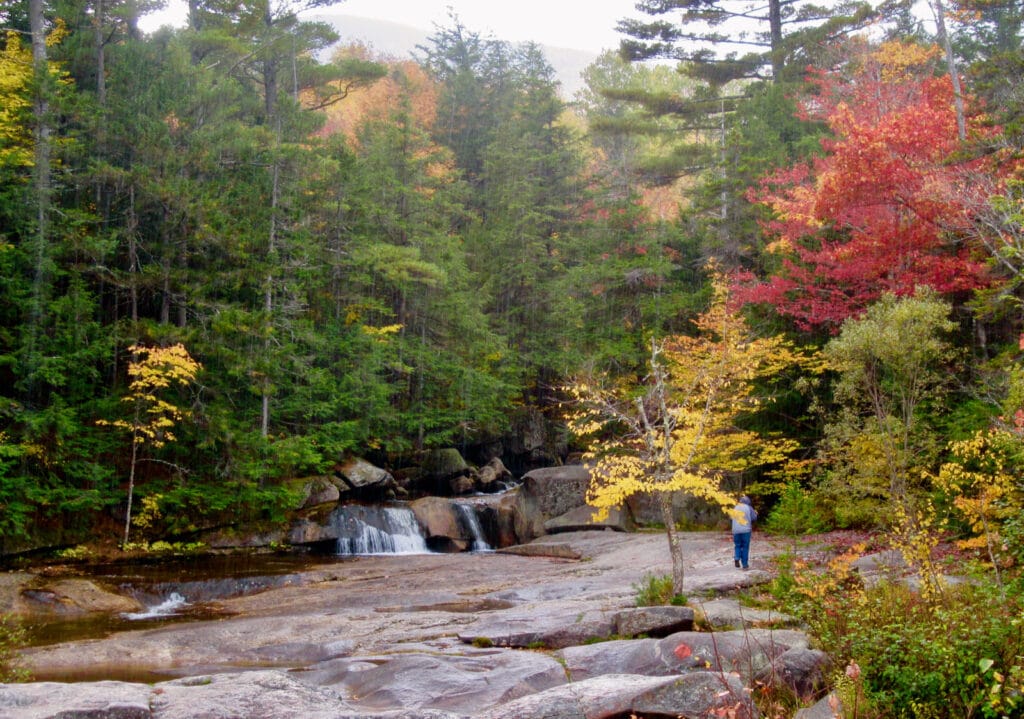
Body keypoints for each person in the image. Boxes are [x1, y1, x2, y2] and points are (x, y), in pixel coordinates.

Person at [731, 495, 757, 569]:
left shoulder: (735, 507)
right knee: (745, 546)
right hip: (746, 530)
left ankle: (736, 558)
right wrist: (755, 514)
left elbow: (731, 518)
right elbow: (754, 518)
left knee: (737, 545)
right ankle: (745, 564)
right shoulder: (749, 508)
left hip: (736, 530)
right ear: (748, 502)